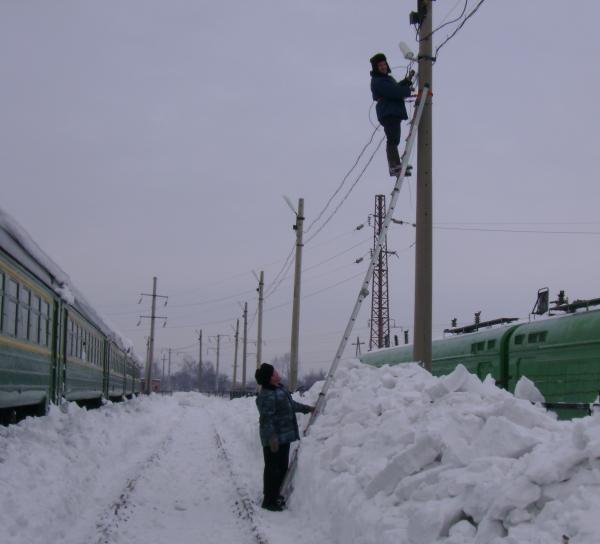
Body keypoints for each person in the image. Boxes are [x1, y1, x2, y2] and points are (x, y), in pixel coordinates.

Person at [255, 363, 314, 511]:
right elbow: (266, 419)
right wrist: (272, 438)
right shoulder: (267, 395)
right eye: (274, 371)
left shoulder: (279, 388)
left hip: (284, 437)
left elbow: (291, 405)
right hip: (274, 439)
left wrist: (307, 409)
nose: (277, 372)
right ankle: (268, 501)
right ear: (270, 377)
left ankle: (277, 495)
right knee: (272, 469)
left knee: (281, 468)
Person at [369, 52, 415, 177]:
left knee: (395, 139)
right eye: (380, 65)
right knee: (393, 139)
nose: (383, 67)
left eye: (384, 64)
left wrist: (406, 82)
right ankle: (394, 166)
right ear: (376, 68)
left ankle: (396, 165)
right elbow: (393, 91)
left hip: (392, 111)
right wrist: (406, 90)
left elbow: (395, 88)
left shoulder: (385, 79)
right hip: (388, 111)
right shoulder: (378, 80)